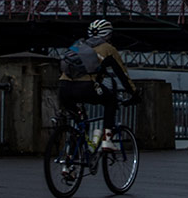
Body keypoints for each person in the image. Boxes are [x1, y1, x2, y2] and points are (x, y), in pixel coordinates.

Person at [57, 19, 139, 151]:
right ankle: (107, 140)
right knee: (111, 101)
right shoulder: (108, 49)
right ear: (108, 35)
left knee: (80, 124)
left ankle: (69, 162)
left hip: (64, 87)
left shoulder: (78, 45)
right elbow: (122, 75)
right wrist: (134, 94)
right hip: (86, 87)